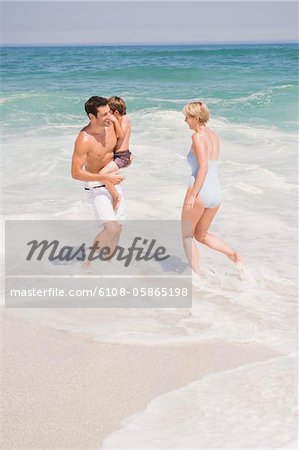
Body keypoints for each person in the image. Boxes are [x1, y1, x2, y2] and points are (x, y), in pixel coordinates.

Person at [181, 100, 243, 274]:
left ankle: (197, 276)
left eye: (187, 117)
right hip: (215, 191)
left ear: (197, 117)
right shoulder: (213, 135)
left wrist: (193, 194)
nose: (185, 121)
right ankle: (233, 255)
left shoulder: (197, 136)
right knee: (200, 235)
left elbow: (203, 167)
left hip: (200, 190)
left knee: (186, 235)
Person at [71, 96, 125, 264]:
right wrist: (104, 177)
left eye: (109, 112)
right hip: (96, 185)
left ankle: (109, 264)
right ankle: (88, 264)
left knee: (118, 229)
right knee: (111, 228)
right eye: (104, 115)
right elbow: (75, 173)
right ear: (92, 117)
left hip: (112, 182)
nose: (109, 117)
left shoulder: (111, 127)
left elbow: (122, 144)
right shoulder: (84, 139)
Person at [98, 96, 133, 210]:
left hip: (122, 156)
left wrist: (113, 121)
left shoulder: (124, 119)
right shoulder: (121, 119)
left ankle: (115, 195)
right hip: (119, 156)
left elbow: (120, 135)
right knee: (107, 175)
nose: (108, 116)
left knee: (102, 174)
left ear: (116, 112)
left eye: (109, 113)